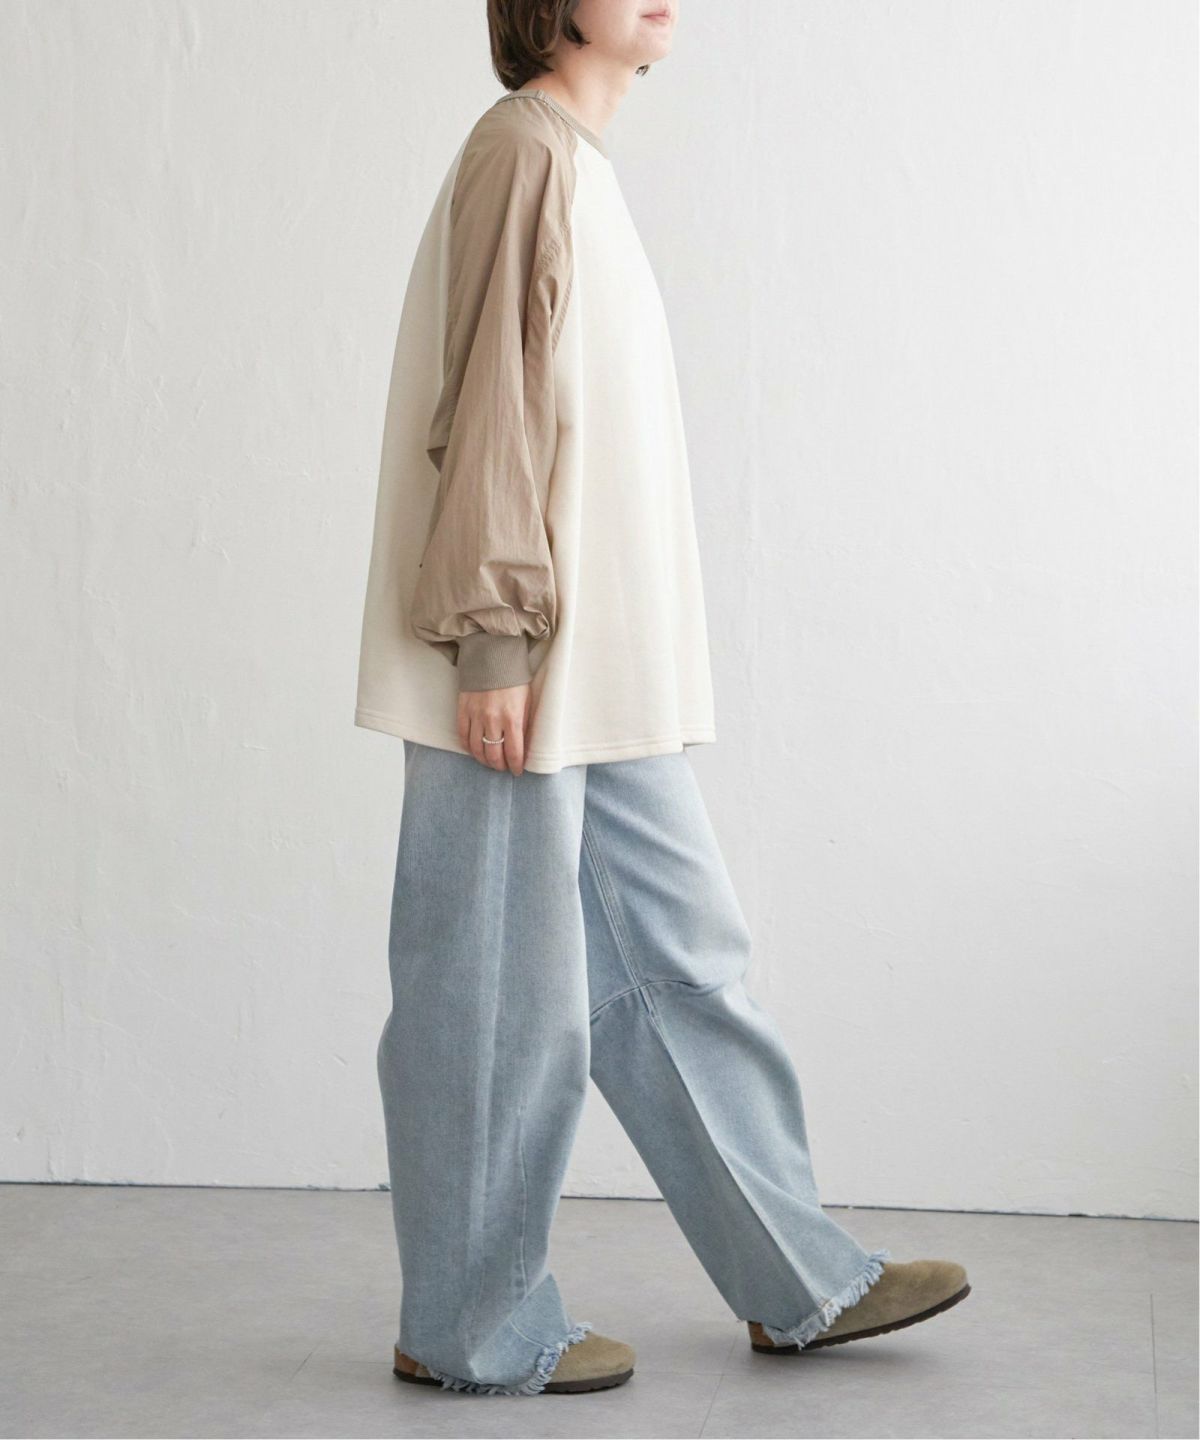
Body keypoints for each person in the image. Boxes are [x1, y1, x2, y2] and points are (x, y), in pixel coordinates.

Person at [354, 0, 971, 1398]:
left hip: (598, 669)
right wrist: (493, 642)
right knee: (494, 1001)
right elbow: (491, 400)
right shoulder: (522, 150)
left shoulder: (576, 162)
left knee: (682, 962)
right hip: (517, 658)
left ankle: (798, 1277)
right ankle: (469, 1325)